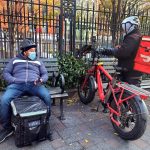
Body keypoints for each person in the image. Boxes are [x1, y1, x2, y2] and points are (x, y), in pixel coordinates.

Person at [0, 39, 51, 143]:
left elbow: (45, 74)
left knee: (46, 96)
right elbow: (6, 73)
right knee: (4, 100)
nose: (34, 52)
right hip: (17, 85)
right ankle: (7, 128)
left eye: (34, 50)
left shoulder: (38, 61)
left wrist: (41, 79)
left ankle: (45, 122)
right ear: (25, 51)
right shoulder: (14, 60)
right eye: (32, 50)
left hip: (34, 85)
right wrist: (14, 80)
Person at [101, 16, 142, 86]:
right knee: (127, 94)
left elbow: (122, 52)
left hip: (129, 72)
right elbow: (129, 50)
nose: (124, 28)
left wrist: (107, 50)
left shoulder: (132, 38)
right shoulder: (138, 36)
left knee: (125, 93)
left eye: (126, 25)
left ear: (132, 26)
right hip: (135, 71)